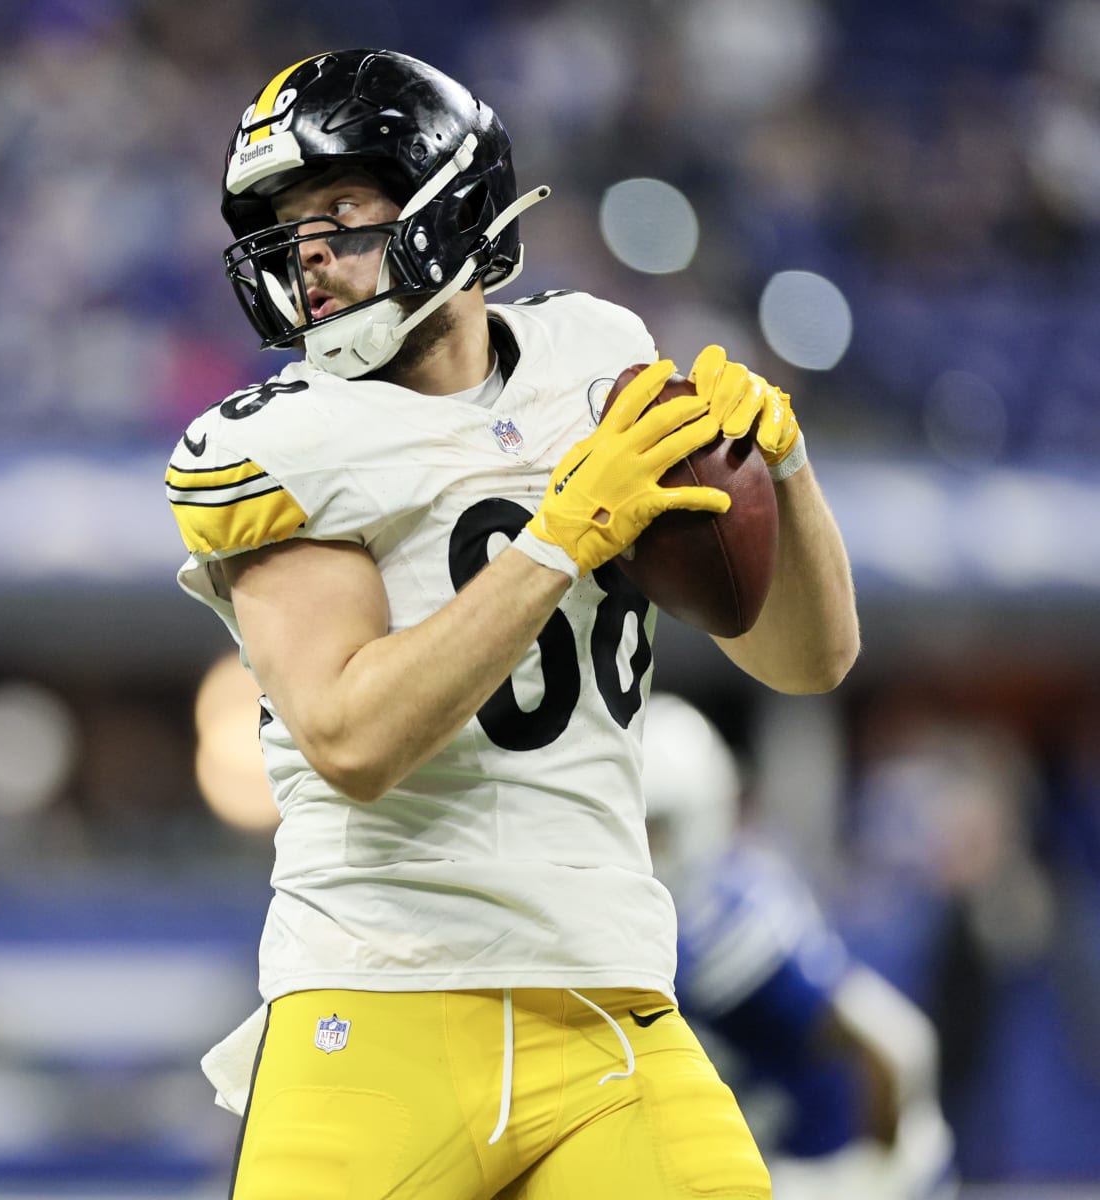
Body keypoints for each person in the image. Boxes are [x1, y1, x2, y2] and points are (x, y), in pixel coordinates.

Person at [164, 49, 860, 1199]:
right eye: (292, 229)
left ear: (449, 198)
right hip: (376, 998)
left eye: (341, 211)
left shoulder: (597, 358)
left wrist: (783, 466)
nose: (313, 257)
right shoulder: (276, 441)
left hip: (605, 1000)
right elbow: (352, 739)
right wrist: (558, 542)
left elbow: (810, 658)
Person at [641, 693, 957, 1200]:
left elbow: (897, 1046)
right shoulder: (704, 897)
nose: (637, 846)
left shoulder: (720, 926)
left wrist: (875, 1178)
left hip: (817, 1167)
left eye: (652, 828)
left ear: (700, 816)